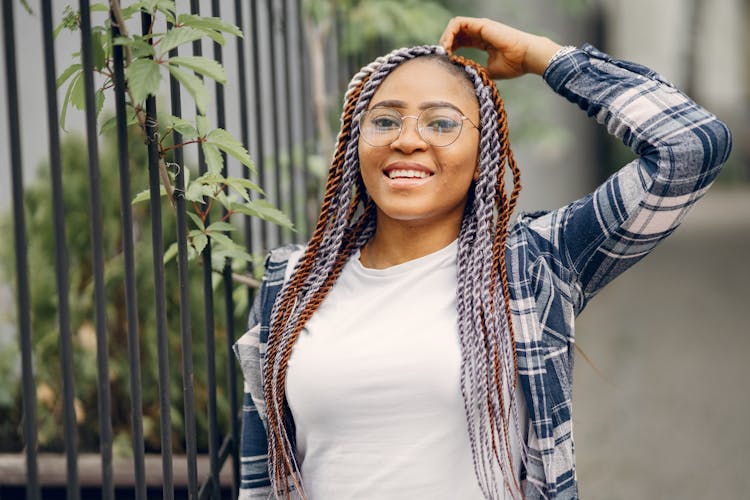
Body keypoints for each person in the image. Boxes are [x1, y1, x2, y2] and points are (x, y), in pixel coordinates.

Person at [234, 16, 732, 500]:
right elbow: (262, 478)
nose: (407, 140)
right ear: (354, 142)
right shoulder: (294, 282)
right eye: (384, 119)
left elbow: (689, 146)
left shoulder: (532, 264)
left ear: (484, 151)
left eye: (441, 122)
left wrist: (543, 56)